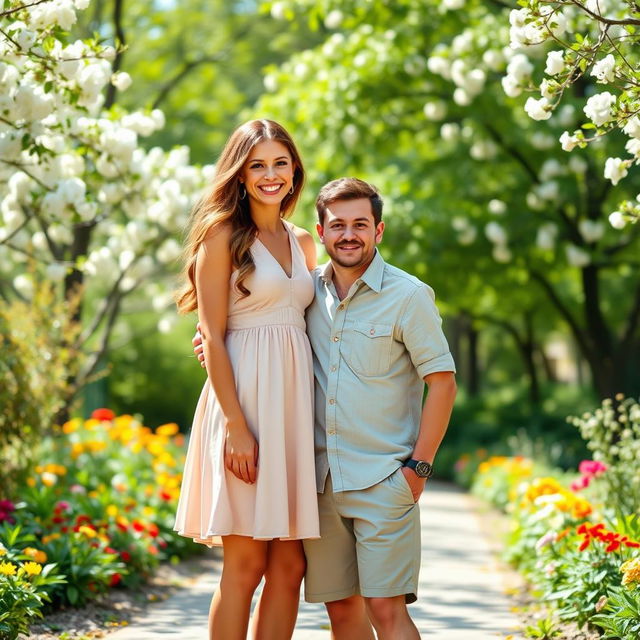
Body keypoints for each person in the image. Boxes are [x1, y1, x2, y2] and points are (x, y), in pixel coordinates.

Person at [195, 177, 457, 640]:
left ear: (380, 230)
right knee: (341, 610)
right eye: (338, 225)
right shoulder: (308, 292)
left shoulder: (409, 295)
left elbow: (443, 381)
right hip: (319, 480)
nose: (349, 234)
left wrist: (419, 467)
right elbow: (248, 324)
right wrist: (218, 345)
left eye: (361, 224)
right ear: (321, 232)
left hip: (383, 476)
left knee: (385, 607)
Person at [174, 119, 320, 640]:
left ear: (294, 169)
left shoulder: (304, 242)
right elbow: (211, 335)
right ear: (239, 174)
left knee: (290, 569)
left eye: (281, 163)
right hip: (243, 407)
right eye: (257, 165)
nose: (270, 175)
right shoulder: (222, 236)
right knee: (245, 567)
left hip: (293, 412)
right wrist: (236, 425)